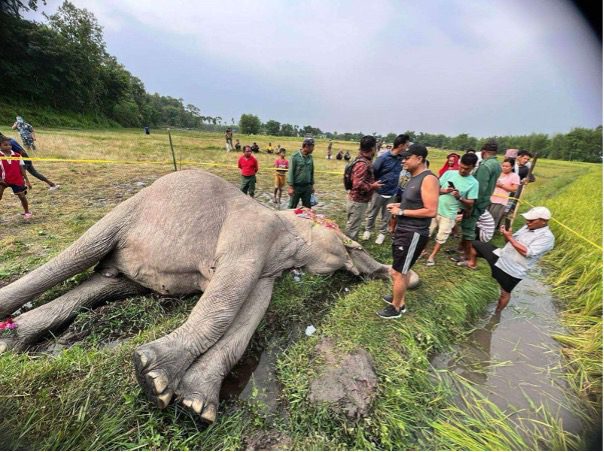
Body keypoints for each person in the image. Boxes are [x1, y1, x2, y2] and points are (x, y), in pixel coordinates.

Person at [378, 144, 439, 319]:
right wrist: (399, 205)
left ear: (419, 158)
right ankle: (399, 299)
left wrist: (402, 212)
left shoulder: (428, 179)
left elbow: (430, 210)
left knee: (398, 272)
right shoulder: (413, 177)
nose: (403, 161)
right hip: (404, 230)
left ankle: (396, 308)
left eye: (407, 158)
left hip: (414, 233)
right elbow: (415, 202)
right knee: (398, 269)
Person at [467, 207, 555, 311]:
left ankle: (497, 314)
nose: (527, 222)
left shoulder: (547, 238)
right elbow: (508, 242)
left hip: (512, 269)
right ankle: (472, 264)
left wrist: (510, 237)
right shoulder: (526, 227)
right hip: (501, 256)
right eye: (527, 219)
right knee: (475, 244)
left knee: (504, 293)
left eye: (531, 220)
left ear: (543, 221)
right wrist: (506, 235)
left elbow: (527, 252)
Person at [426, 153, 479, 266]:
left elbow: (471, 203)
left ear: (473, 167)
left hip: (449, 214)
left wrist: (460, 197)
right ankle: (422, 251)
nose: (463, 170)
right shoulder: (449, 173)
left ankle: (432, 256)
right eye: (461, 167)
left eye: (467, 168)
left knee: (441, 236)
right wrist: (443, 191)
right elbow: (435, 188)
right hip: (435, 208)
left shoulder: (474, 183)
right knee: (427, 232)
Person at [458, 140, 501, 267]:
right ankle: (463, 251)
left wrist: (470, 205)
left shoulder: (485, 166)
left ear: (483, 152)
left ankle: (471, 260)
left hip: (477, 202)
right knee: (468, 228)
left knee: (469, 230)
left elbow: (480, 188)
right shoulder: (497, 164)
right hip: (485, 200)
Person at [362, 133, 410, 244]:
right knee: (372, 213)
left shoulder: (402, 158)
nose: (408, 147)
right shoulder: (383, 158)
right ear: (401, 145)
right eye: (407, 145)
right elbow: (374, 172)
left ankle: (382, 233)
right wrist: (375, 185)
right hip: (379, 191)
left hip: (392, 192)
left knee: (386, 216)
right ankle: (368, 230)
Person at [344, 136, 383, 239]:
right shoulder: (363, 164)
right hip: (358, 201)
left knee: (352, 224)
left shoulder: (360, 159)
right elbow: (357, 184)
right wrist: (372, 186)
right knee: (353, 227)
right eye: (375, 146)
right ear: (372, 148)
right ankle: (349, 249)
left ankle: (348, 244)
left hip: (356, 200)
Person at [0, 136, 32, 219]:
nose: (9, 147)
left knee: (22, 196)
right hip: (3, 180)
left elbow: (22, 169)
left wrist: (27, 181)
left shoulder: (17, 155)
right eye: (5, 145)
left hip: (17, 179)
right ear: (0, 146)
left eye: (9, 145)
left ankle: (27, 212)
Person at [488, 158, 520, 228]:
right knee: (484, 216)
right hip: (489, 198)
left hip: (500, 201)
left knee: (493, 218)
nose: (504, 168)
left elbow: (514, 189)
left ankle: (489, 233)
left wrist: (501, 185)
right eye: (503, 166)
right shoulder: (497, 173)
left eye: (507, 166)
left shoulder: (514, 176)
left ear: (512, 167)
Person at [287, 138, 315, 208]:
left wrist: (311, 185)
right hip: (296, 187)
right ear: (306, 146)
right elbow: (290, 172)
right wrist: (290, 187)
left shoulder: (310, 158)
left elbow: (311, 172)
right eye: (312, 147)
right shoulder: (295, 157)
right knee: (292, 207)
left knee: (307, 208)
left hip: (307, 187)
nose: (313, 149)